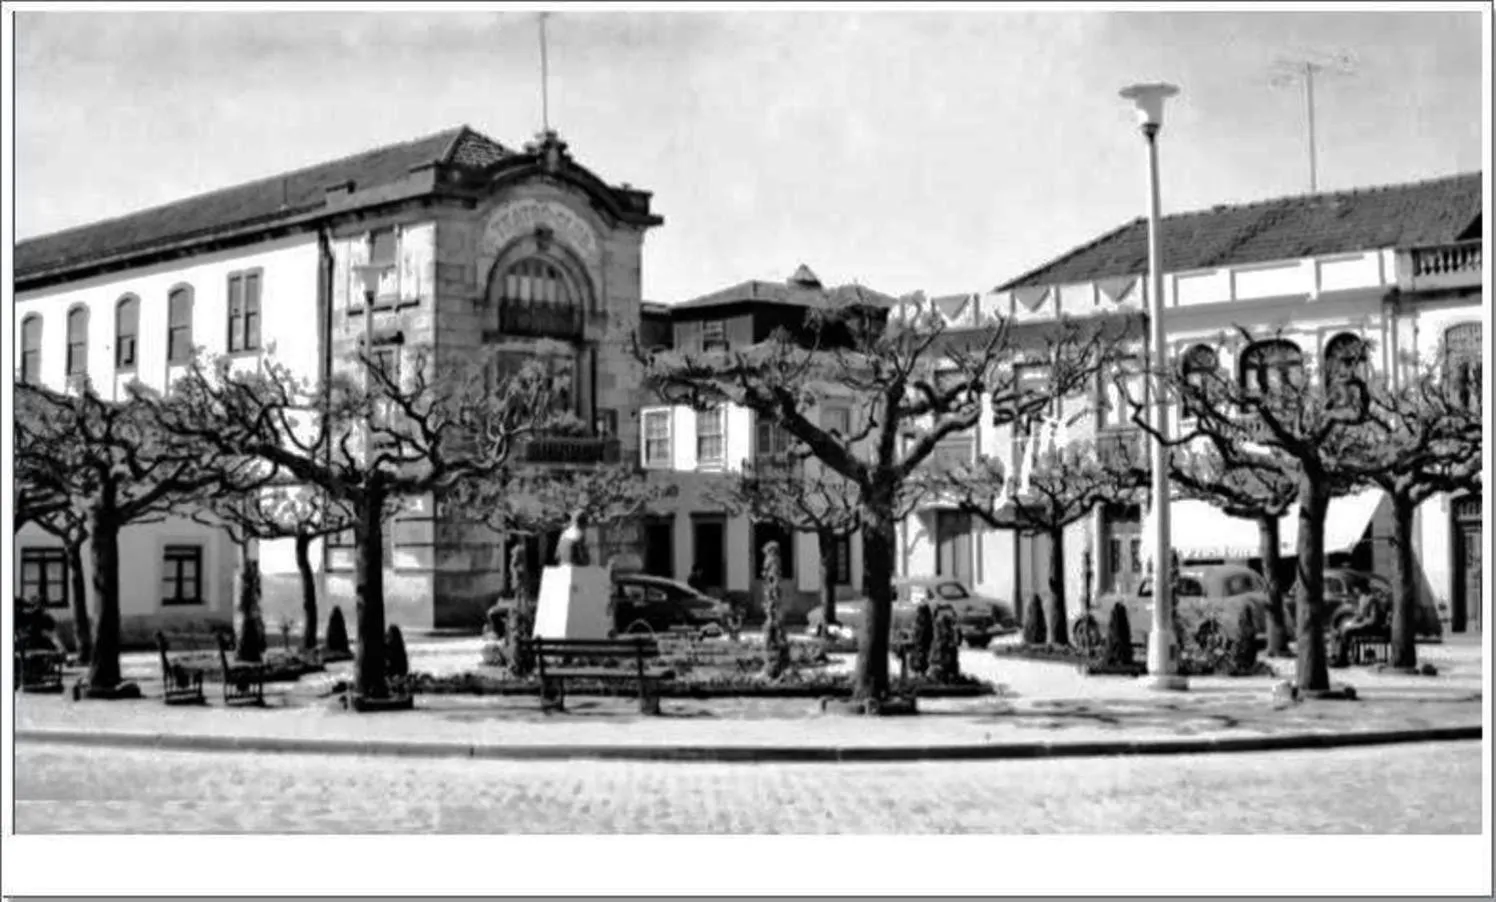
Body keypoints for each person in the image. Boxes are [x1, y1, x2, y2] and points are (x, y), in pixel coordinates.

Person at [1333, 589, 1389, 666]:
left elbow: (1373, 620)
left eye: (1356, 589)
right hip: (1364, 624)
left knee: (1347, 632)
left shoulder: (1373, 600)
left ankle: (1343, 659)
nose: (1355, 591)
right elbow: (1360, 614)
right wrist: (1353, 620)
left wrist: (1359, 623)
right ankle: (1337, 655)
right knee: (1340, 630)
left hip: (1372, 627)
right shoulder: (1362, 597)